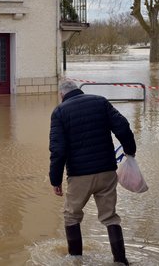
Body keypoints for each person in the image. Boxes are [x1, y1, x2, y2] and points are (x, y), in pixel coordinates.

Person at [49, 78, 136, 265]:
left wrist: (55, 180)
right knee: (110, 217)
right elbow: (123, 127)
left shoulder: (59, 112)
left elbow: (58, 150)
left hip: (79, 175)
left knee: (71, 216)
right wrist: (130, 151)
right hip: (107, 171)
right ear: (77, 89)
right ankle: (120, 260)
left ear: (61, 94)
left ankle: (76, 260)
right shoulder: (100, 102)